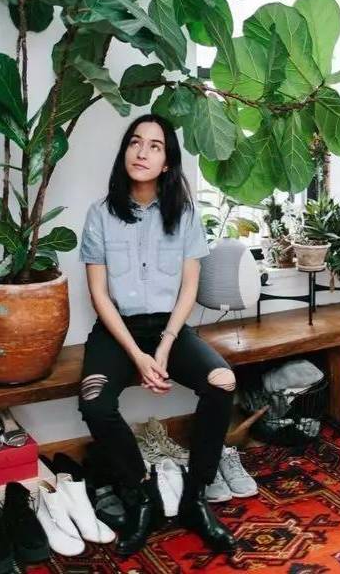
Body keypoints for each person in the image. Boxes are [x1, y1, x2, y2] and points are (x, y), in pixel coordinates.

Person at [77, 113, 238, 557]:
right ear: (125, 152)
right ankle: (142, 493)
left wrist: (164, 346)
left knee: (223, 382)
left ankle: (195, 497)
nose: (142, 152)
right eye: (135, 142)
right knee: (94, 403)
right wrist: (138, 355)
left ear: (167, 162)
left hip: (170, 328)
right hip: (118, 331)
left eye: (154, 146)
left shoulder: (185, 215)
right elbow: (99, 295)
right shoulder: (100, 214)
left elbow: (189, 288)